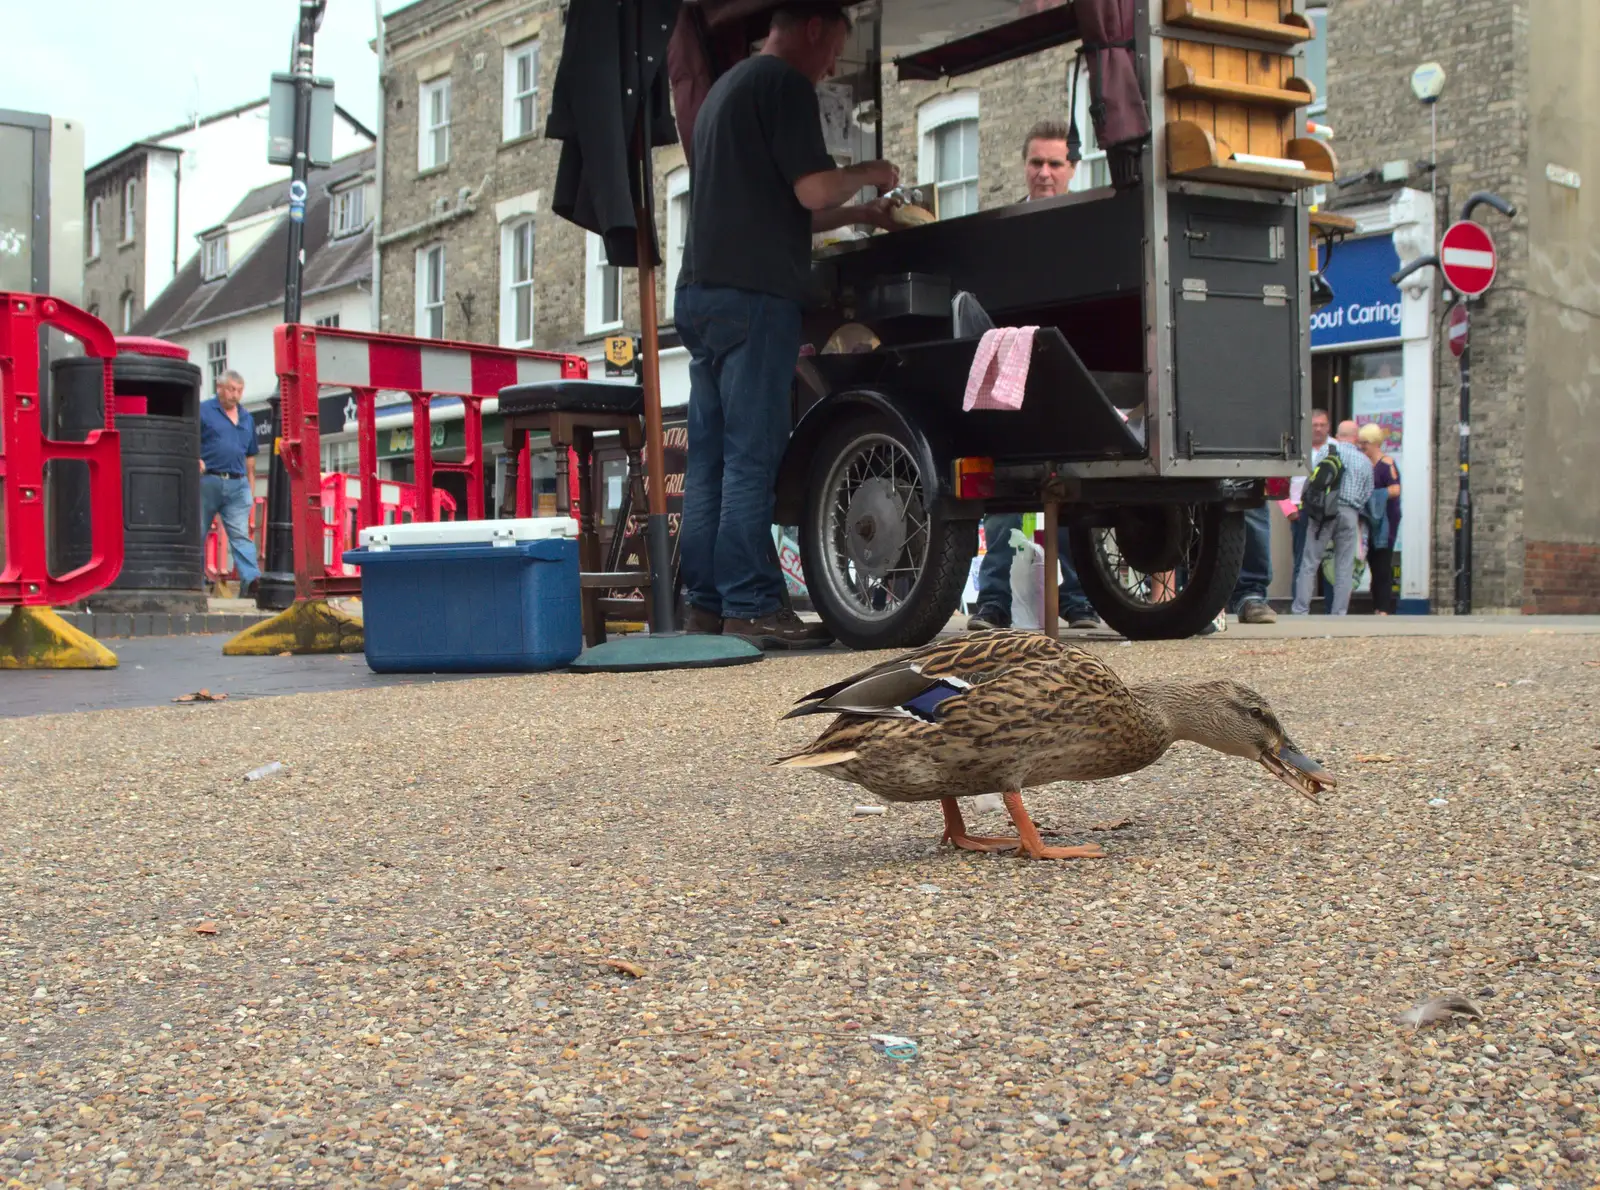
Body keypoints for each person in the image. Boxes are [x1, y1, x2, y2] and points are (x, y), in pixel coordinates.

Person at [675, 2, 900, 649]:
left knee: (710, 462)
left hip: (703, 295)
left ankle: (706, 607)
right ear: (813, 28)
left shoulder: (725, 90)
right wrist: (869, 173)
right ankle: (752, 606)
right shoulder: (784, 85)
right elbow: (810, 191)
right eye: (834, 50)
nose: (832, 65)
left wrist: (867, 213)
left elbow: (786, 207)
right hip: (754, 299)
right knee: (751, 458)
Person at [968, 119, 1101, 633]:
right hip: (1014, 371)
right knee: (1006, 491)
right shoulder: (1006, 227)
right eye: (1036, 163)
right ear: (1024, 166)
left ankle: (1078, 599)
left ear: (1073, 169)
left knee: (1074, 489)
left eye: (1055, 163)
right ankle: (993, 601)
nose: (1044, 173)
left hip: (1071, 373)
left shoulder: (1090, 226)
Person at [1291, 415, 1373, 616]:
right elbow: (1367, 491)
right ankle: (1339, 612)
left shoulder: (1327, 452)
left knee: (1310, 562)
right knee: (1344, 565)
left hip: (1323, 515)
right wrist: (1354, 508)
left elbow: (1312, 481)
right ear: (1356, 438)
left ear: (1337, 436)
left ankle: (1300, 610)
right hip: (1350, 514)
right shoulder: (1364, 460)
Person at [199, 370, 261, 598]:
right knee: (199, 531)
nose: (235, 395)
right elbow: (188, 439)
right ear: (220, 388)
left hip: (237, 483)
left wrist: (250, 489)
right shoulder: (204, 411)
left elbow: (251, 457)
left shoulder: (247, 418)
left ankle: (251, 581)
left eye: (239, 390)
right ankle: (195, 582)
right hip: (208, 480)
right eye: (231, 389)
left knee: (240, 535)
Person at [1358, 421, 1401, 613]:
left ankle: (1382, 608)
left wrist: (1373, 496)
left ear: (1374, 442)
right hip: (1369, 520)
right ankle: (1376, 604)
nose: (1362, 446)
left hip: (1386, 521)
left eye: (1365, 442)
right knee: (1372, 561)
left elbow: (1395, 489)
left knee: (1382, 564)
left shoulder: (1387, 464)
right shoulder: (1365, 464)